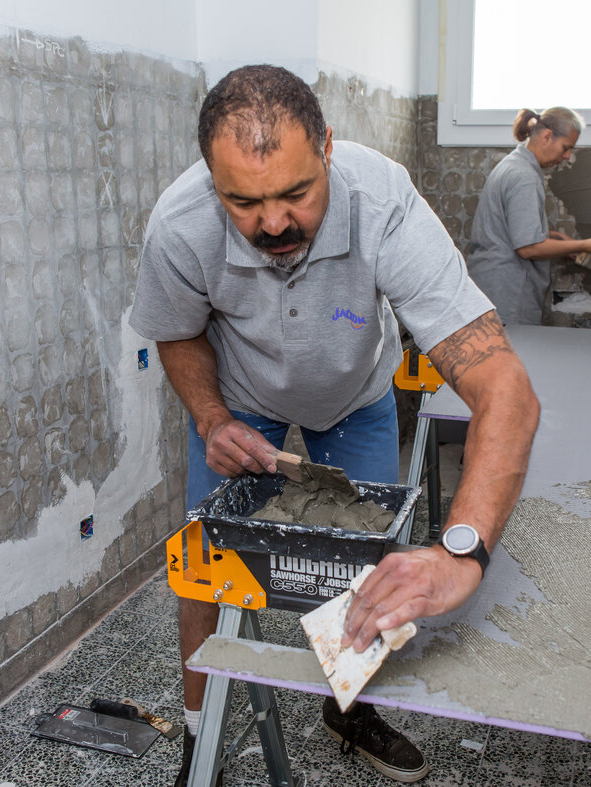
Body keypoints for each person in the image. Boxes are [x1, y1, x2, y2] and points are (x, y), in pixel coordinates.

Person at [129, 64, 539, 785]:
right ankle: (202, 733)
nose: (275, 222)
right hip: (240, 396)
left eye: (295, 193)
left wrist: (461, 551)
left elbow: (505, 388)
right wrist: (211, 416)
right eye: (245, 203)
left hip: (354, 394)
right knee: (202, 571)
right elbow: (176, 330)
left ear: (327, 147)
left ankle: (347, 708)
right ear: (210, 182)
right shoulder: (179, 225)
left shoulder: (383, 203)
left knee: (365, 564)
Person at [466, 107, 591, 325]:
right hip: (508, 295)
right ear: (547, 136)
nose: (567, 156)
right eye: (566, 148)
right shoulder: (524, 177)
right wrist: (584, 245)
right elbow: (528, 248)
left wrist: (556, 238)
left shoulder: (512, 165)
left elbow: (514, 230)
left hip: (492, 289)